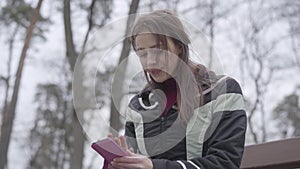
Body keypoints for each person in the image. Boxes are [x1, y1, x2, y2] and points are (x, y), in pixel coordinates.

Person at [107, 10, 247, 169]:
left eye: (158, 50)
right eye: (143, 54)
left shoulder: (223, 91)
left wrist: (154, 167)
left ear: (179, 47)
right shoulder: (138, 106)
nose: (150, 61)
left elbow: (225, 163)